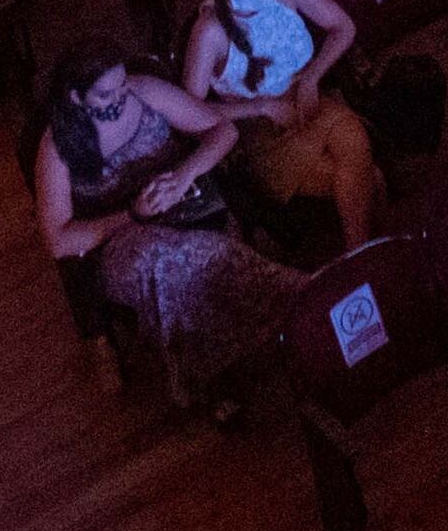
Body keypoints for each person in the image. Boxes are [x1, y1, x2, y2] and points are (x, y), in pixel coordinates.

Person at [30, 41, 302, 418]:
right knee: (166, 263)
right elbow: (58, 240)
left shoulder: (145, 93)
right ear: (76, 99)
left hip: (186, 208)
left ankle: (213, 371)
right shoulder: (57, 146)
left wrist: (184, 174)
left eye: (122, 84)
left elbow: (222, 130)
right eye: (107, 93)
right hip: (120, 239)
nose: (121, 96)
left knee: (194, 263)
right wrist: (132, 214)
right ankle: (294, 299)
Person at [174, 0, 379, 248]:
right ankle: (362, 249)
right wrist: (260, 106)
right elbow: (187, 110)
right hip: (259, 127)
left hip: (307, 98)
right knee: (360, 177)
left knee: (353, 140)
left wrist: (312, 77)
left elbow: (343, 26)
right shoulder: (210, 32)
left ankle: (358, 250)